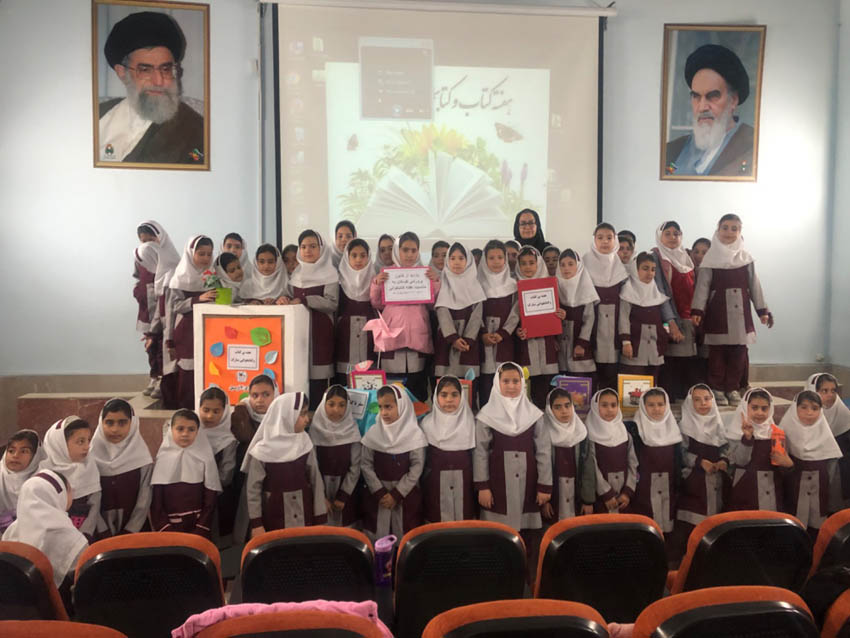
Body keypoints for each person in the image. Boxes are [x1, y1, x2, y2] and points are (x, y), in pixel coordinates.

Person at [99, 11, 204, 164]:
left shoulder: (196, 132)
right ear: (122, 72)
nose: (159, 81)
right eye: (145, 70)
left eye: (166, 69)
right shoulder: (98, 114)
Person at [691, 214, 773, 406]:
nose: (729, 232)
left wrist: (762, 310)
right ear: (718, 229)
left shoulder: (746, 258)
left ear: (740, 231)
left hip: (741, 315)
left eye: (734, 228)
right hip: (718, 313)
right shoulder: (711, 258)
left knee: (738, 354)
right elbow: (702, 287)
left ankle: (732, 388)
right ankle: (717, 388)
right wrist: (697, 311)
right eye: (725, 228)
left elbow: (754, 285)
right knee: (717, 355)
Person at [474, 363, 551, 552]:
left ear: (523, 383)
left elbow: (543, 450)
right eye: (506, 381)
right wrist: (482, 487)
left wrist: (544, 486)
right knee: (498, 540)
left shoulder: (534, 415)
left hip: (529, 484)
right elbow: (480, 452)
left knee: (526, 541)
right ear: (497, 383)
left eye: (516, 381)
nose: (511, 386)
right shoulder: (486, 416)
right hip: (496, 485)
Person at [665, 44, 754, 177]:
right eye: (696, 96)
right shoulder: (673, 151)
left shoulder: (753, 148)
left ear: (733, 100)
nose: (702, 107)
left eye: (712, 96)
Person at [370, 233, 441, 401]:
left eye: (413, 250)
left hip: (417, 336)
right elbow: (377, 303)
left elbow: (433, 305)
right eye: (405, 250)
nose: (409, 254)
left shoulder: (425, 274)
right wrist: (376, 284)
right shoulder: (387, 274)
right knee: (393, 390)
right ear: (397, 250)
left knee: (417, 388)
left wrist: (436, 283)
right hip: (392, 339)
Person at [244, 392, 326, 534]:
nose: (307, 419)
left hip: (304, 513)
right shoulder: (262, 450)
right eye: (302, 414)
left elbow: (316, 481)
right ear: (286, 415)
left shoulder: (304, 443)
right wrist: (256, 524)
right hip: (273, 515)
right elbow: (253, 490)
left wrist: (320, 516)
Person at [2, 470, 88, 592]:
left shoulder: (10, 533)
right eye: (69, 490)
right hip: (57, 603)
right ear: (57, 495)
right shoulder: (73, 540)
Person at [360, 385, 427, 540]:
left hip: (406, 496)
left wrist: (397, 494)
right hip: (378, 497)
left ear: (402, 406)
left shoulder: (414, 435)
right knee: (378, 538)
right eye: (380, 407)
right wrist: (380, 493)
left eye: (389, 407)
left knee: (404, 538)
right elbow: (366, 465)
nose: (384, 412)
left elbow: (417, 467)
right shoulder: (373, 433)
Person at [286, 230, 339, 410]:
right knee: (298, 379)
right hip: (297, 336)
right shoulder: (295, 275)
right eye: (303, 247)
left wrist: (305, 300)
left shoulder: (330, 274)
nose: (307, 251)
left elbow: (332, 303)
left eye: (313, 246)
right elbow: (290, 297)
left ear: (321, 248)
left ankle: (318, 418)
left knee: (319, 382)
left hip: (320, 333)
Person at [164, 235, 216, 409]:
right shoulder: (179, 278)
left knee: (209, 371)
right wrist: (197, 299)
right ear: (190, 253)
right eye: (201, 254)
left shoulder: (213, 275)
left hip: (209, 331)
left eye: (209, 254)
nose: (206, 258)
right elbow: (174, 307)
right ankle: (186, 411)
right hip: (187, 332)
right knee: (188, 374)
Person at [779, 391, 842, 537]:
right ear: (795, 408)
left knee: (816, 531)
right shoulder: (784, 433)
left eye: (815, 408)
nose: (809, 413)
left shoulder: (825, 436)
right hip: (793, 493)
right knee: (794, 531)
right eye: (804, 407)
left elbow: (831, 472)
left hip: (819, 496)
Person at [151, 409, 222, 537]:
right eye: (180, 429)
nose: (185, 434)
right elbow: (156, 502)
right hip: (170, 528)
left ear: (198, 432)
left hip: (198, 526)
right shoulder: (163, 459)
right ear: (171, 430)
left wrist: (201, 528)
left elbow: (210, 498)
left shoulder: (205, 458)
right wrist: (165, 528)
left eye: (191, 429)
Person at [90, 399, 153, 537]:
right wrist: (102, 530)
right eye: (109, 422)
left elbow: (144, 499)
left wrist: (131, 530)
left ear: (133, 423)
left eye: (122, 422)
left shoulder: (142, 458)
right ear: (101, 423)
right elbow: (90, 499)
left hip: (136, 531)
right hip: (99, 531)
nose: (115, 429)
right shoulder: (90, 459)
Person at [421, 376, 476, 522]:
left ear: (462, 397)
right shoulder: (426, 425)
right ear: (436, 397)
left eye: (454, 394)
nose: (449, 400)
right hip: (434, 486)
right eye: (444, 395)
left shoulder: (472, 424)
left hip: (465, 486)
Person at [619, 252, 681, 380]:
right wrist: (626, 342)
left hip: (654, 349)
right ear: (635, 270)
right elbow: (623, 319)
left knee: (653, 383)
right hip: (634, 348)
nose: (650, 273)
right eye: (645, 268)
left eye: (653, 269)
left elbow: (662, 320)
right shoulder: (627, 292)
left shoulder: (656, 293)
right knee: (634, 384)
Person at [726, 388, 790, 512]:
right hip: (745, 491)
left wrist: (788, 464)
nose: (760, 413)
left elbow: (781, 465)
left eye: (764, 408)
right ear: (745, 408)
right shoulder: (735, 433)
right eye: (754, 408)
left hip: (771, 492)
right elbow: (740, 461)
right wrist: (747, 438)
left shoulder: (776, 433)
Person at [629, 388, 682, 535]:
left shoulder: (674, 429)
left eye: (660, 404)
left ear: (666, 405)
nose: (656, 409)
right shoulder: (635, 430)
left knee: (668, 526)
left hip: (669, 487)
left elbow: (678, 462)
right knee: (646, 529)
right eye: (651, 405)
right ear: (643, 406)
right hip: (643, 489)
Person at [653, 222, 697, 401]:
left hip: (688, 319)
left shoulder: (687, 258)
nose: (672, 237)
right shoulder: (657, 257)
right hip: (669, 318)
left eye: (676, 234)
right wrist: (670, 322)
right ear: (660, 236)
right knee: (670, 361)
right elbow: (660, 292)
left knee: (686, 361)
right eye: (667, 233)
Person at [583, 224, 630, 393]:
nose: (605, 242)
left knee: (612, 370)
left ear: (615, 240)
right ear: (594, 240)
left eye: (609, 238)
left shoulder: (620, 266)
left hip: (615, 325)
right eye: (600, 237)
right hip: (592, 323)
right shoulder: (584, 263)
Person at [675, 384, 729, 530]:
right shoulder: (684, 426)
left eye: (706, 399)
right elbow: (681, 453)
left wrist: (723, 460)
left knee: (716, 527)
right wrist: (699, 462)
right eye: (697, 400)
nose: (703, 403)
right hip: (693, 483)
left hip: (717, 481)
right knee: (693, 528)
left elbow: (725, 447)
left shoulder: (718, 424)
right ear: (690, 402)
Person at [39, 416, 101, 541]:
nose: (87, 446)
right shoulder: (44, 473)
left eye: (88, 440)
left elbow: (95, 505)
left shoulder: (90, 466)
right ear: (60, 444)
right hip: (53, 537)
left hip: (85, 535)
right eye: (80, 441)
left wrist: (85, 534)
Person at [434, 243, 485, 395]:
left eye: (461, 258)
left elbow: (477, 316)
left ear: (468, 261)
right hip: (446, 342)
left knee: (468, 388)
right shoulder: (443, 283)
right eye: (452, 258)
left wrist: (467, 340)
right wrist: (453, 338)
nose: (456, 262)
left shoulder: (475, 286)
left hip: (469, 345)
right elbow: (442, 311)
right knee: (445, 386)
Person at [308, 386, 362, 527]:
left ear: (348, 407)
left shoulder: (352, 432)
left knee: (346, 533)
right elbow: (312, 468)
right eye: (331, 404)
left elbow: (355, 467)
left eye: (342, 405)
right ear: (323, 405)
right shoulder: (314, 431)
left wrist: (343, 495)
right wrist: (321, 497)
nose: (336, 410)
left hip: (347, 493)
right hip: (320, 491)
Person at [539, 388, 596, 521]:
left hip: (576, 494)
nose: (564, 411)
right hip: (553, 496)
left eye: (567, 405)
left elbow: (588, 469)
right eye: (557, 407)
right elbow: (540, 469)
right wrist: (545, 501)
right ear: (549, 410)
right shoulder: (543, 434)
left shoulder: (581, 433)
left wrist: (588, 500)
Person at [514, 246, 559, 408]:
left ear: (538, 264)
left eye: (531, 263)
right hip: (526, 346)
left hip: (548, 347)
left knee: (548, 389)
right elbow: (512, 317)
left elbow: (557, 315)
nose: (528, 267)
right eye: (523, 263)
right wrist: (517, 330)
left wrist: (561, 314)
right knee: (529, 391)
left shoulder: (550, 286)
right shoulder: (514, 286)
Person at [477, 240, 519, 406]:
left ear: (505, 259)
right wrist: (483, 333)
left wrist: (503, 333)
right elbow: (474, 312)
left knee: (505, 379)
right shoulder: (476, 285)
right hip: (483, 340)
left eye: (500, 257)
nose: (496, 262)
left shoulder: (513, 286)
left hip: (505, 340)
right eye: (491, 258)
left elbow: (515, 313)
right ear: (485, 260)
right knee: (485, 384)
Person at [585, 389, 637, 514]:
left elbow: (633, 464)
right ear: (595, 407)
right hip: (601, 499)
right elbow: (592, 468)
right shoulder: (589, 435)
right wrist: (606, 493)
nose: (609, 409)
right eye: (604, 405)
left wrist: (627, 492)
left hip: (623, 499)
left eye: (613, 405)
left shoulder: (625, 434)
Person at [197, 386, 239, 542]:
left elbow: (226, 475)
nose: (210, 416)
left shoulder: (228, 439)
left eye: (216, 411)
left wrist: (207, 491)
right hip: (191, 496)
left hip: (218, 497)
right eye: (206, 410)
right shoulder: (192, 432)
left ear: (225, 411)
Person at [336, 239, 377, 385]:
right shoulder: (338, 281)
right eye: (354, 255)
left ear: (369, 257)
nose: (358, 259)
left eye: (363, 255)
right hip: (344, 339)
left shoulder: (376, 280)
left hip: (369, 338)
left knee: (367, 382)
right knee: (344, 382)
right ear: (347, 257)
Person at [807, 373, 850, 507]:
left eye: (833, 391)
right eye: (824, 391)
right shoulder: (802, 414)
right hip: (811, 473)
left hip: (839, 473)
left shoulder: (843, 414)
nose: (830, 395)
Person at [556, 249, 598, 376]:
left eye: (570, 264)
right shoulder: (555, 287)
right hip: (560, 348)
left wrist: (582, 344)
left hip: (579, 347)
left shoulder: (586, 288)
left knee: (580, 382)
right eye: (562, 265)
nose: (566, 268)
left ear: (578, 265)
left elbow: (589, 320)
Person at [133, 233, 161, 396]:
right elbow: (138, 278)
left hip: (162, 310)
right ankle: (153, 376)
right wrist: (138, 292)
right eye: (144, 241)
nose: (148, 244)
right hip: (146, 310)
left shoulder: (165, 258)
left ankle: (162, 379)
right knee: (150, 346)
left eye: (151, 240)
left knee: (161, 346)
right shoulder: (139, 257)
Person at [0, 430, 44, 533]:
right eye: (11, 451)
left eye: (24, 451)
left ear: (35, 456)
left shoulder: (44, 481)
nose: (15, 455)